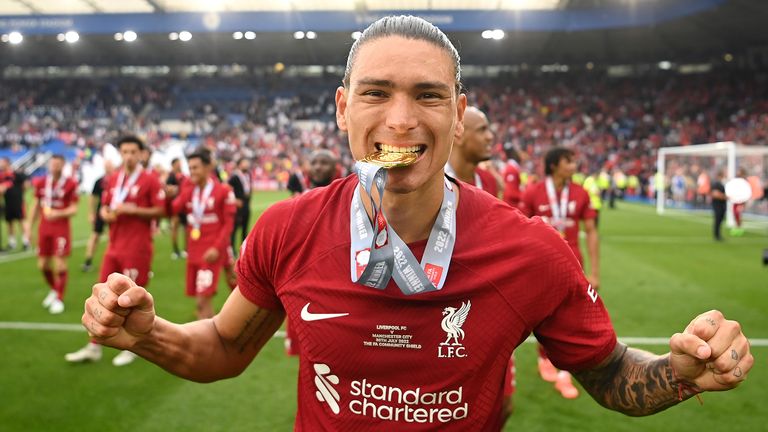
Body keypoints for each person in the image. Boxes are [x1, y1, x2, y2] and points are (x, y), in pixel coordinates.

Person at [81, 16, 752, 431]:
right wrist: (149, 335)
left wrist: (682, 371)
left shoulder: (531, 252)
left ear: (458, 115)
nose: (401, 120)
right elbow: (225, 350)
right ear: (344, 108)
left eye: (427, 95)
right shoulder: (287, 230)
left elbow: (609, 375)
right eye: (376, 92)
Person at [66, 135, 165, 367]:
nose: (128, 156)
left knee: (130, 300)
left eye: (133, 152)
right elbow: (108, 206)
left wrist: (133, 209)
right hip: (115, 245)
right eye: (125, 152)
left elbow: (160, 211)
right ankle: (93, 347)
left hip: (137, 247)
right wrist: (105, 213)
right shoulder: (114, 179)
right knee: (103, 296)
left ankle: (133, 347)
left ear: (141, 154)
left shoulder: (150, 179)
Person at [520, 147, 600, 399]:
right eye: (568, 161)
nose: (574, 165)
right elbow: (520, 229)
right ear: (554, 164)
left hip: (573, 263)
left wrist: (595, 272)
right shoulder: (533, 191)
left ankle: (564, 373)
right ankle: (543, 357)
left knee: (570, 318)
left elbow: (592, 232)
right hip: (539, 264)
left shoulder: (581, 192)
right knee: (541, 315)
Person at [283, 149, 339, 356]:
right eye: (314, 162)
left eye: (324, 163)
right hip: (303, 286)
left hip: (335, 285)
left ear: (335, 168)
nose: (318, 167)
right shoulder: (297, 202)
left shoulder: (352, 198)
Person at [169, 149, 236, 319]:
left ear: (207, 168)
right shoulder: (190, 191)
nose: (192, 172)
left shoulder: (223, 191)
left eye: (196, 168)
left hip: (212, 251)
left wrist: (217, 248)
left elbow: (228, 224)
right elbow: (173, 209)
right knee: (223, 289)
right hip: (195, 252)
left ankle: (209, 342)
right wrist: (174, 192)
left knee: (203, 301)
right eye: (190, 168)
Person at [23, 155, 79, 314]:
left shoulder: (70, 183)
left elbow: (74, 208)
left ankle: (59, 298)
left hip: (61, 228)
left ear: (63, 166)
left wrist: (57, 213)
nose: (55, 167)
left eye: (58, 164)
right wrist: (28, 225)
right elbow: (35, 205)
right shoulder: (41, 183)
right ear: (49, 165)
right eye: (53, 164)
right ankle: (55, 289)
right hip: (44, 227)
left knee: (60, 264)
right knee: (43, 265)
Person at [445, 107, 498, 197]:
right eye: (481, 130)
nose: (490, 136)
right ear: (459, 135)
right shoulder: (434, 182)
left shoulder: (489, 180)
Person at [83, 160, 115, 272]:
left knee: (115, 236)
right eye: (106, 166)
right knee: (95, 235)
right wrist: (91, 213)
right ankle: (88, 261)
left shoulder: (119, 179)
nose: (108, 168)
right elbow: (92, 197)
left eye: (110, 166)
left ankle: (114, 261)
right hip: (101, 212)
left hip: (115, 212)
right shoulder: (100, 181)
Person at [0, 157, 30, 251]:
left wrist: (20, 193)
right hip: (7, 202)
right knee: (9, 222)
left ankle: (26, 242)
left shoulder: (16, 174)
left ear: (7, 163)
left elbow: (26, 184)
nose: (0, 164)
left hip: (18, 201)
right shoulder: (1, 176)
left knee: (22, 220)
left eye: (2, 162)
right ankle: (12, 242)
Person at [228, 158, 252, 254]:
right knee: (235, 228)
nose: (247, 165)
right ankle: (231, 250)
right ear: (239, 165)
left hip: (246, 204)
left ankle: (243, 249)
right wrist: (234, 199)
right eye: (244, 163)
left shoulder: (248, 175)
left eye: (247, 163)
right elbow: (227, 188)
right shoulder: (235, 176)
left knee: (245, 228)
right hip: (237, 206)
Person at [166, 158, 188, 260]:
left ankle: (186, 250)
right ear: (173, 165)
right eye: (178, 163)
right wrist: (177, 190)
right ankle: (175, 251)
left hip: (184, 206)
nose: (180, 165)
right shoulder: (171, 176)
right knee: (175, 227)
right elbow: (168, 190)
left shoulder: (183, 176)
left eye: (180, 163)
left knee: (187, 228)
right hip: (175, 207)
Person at [711, 171, 727, 241]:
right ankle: (717, 235)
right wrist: (725, 197)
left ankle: (718, 235)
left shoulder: (720, 184)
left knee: (720, 220)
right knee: (718, 220)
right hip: (718, 205)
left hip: (721, 205)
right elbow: (715, 194)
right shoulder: (716, 184)